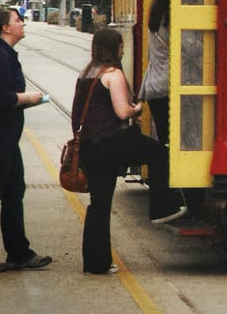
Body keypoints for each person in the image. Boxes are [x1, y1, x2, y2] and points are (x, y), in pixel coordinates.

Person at [73, 28, 185, 275]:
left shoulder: (86, 73)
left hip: (92, 146)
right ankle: (161, 207)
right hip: (113, 143)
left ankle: (95, 262)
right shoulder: (113, 74)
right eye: (121, 46)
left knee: (98, 205)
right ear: (114, 49)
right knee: (159, 154)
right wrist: (139, 107)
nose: (123, 50)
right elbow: (122, 112)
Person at [0, 8, 53, 273]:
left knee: (13, 192)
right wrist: (29, 98)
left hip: (6, 138)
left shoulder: (3, 53)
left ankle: (18, 251)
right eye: (18, 20)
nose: (22, 23)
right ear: (5, 29)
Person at [139, 0, 171, 146]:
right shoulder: (172, 17)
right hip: (170, 86)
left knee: (164, 140)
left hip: (153, 86)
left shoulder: (155, 14)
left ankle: (161, 172)